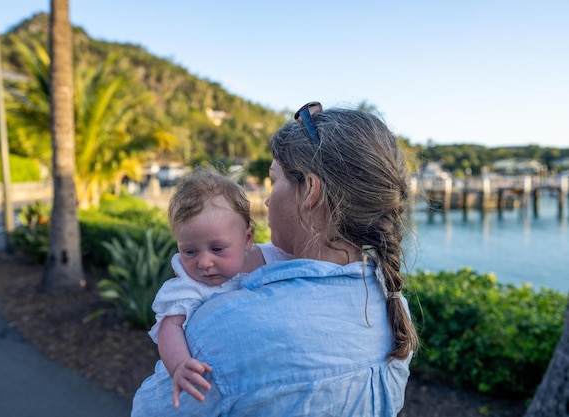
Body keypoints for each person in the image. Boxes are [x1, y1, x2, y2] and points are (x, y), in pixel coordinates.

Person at [132, 102, 419, 416]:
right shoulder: (394, 309)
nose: (267, 199)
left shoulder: (226, 327)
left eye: (274, 181)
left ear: (310, 190)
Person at [150, 166, 291, 408]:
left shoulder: (275, 257)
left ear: (247, 239)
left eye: (217, 249)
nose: (204, 263)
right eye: (190, 251)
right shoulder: (189, 286)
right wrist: (179, 365)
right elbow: (168, 327)